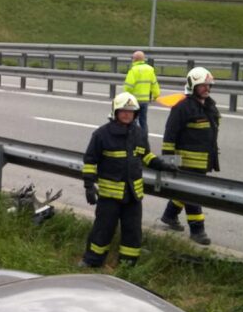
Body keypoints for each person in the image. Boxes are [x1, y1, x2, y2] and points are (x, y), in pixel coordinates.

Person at [80, 92, 179, 267]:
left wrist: (161, 165)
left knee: (133, 232)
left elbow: (145, 156)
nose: (127, 114)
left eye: (131, 111)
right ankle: (92, 261)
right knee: (103, 230)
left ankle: (127, 265)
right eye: (123, 111)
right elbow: (90, 161)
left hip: (133, 196)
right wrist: (89, 186)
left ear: (136, 114)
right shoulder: (101, 134)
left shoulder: (139, 134)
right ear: (115, 112)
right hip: (110, 197)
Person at [159, 67, 220, 246]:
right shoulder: (182, 107)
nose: (207, 89)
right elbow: (170, 135)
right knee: (194, 194)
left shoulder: (210, 105)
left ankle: (169, 215)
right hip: (186, 161)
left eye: (209, 85)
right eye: (203, 86)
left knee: (185, 191)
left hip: (204, 160)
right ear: (193, 85)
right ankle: (197, 229)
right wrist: (169, 161)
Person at [123, 50, 160, 135]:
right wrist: (156, 95)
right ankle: (144, 138)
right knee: (143, 121)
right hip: (145, 100)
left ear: (135, 59)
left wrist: (125, 95)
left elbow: (129, 86)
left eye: (132, 58)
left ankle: (134, 137)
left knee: (133, 120)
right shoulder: (150, 69)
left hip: (134, 100)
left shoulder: (133, 70)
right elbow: (154, 84)